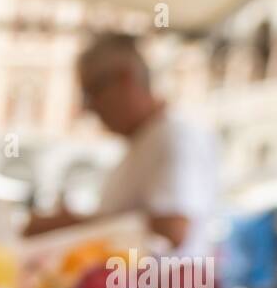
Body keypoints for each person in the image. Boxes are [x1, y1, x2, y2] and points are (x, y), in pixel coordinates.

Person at [26, 33, 219, 260]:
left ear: (124, 79)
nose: (90, 109)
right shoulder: (146, 140)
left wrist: (73, 225)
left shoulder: (172, 136)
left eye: (91, 93)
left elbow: (173, 230)